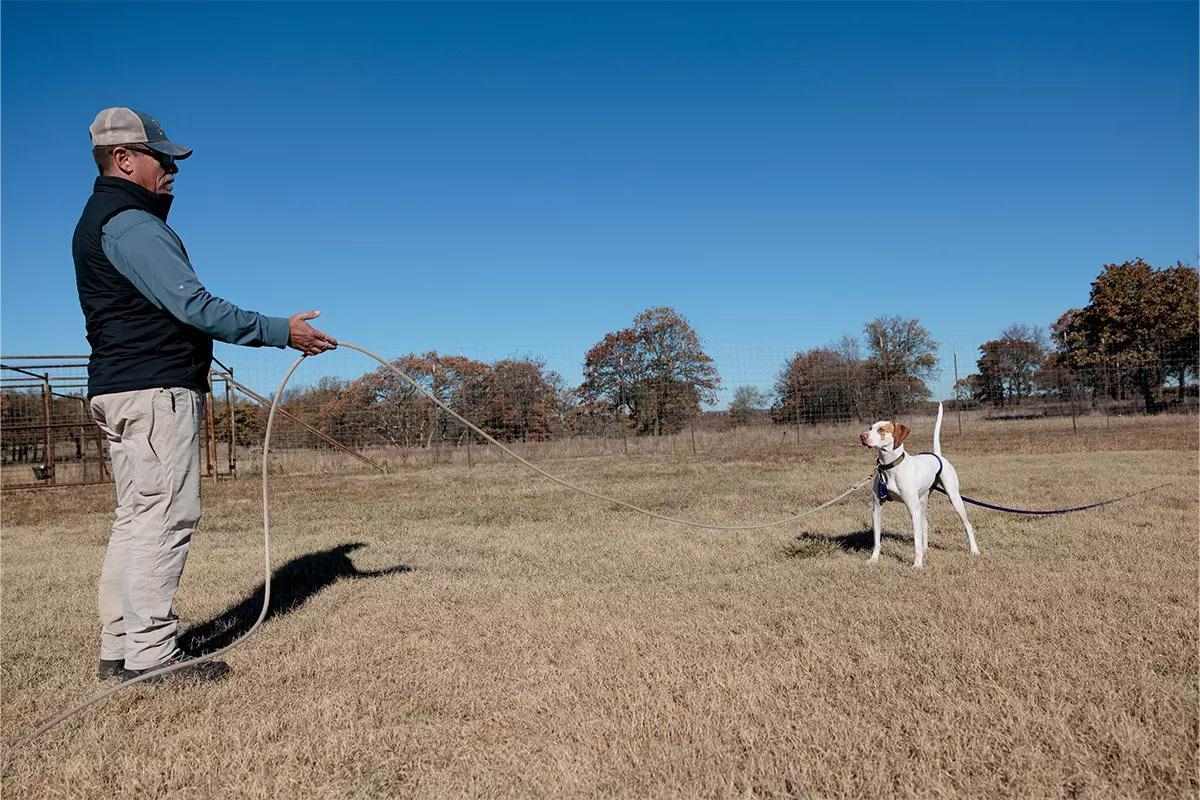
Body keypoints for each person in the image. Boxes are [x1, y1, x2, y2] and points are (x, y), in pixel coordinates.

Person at [72, 107, 337, 683]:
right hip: (153, 392)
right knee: (166, 516)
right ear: (124, 159)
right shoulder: (132, 225)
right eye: (162, 158)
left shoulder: (105, 221)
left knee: (137, 519)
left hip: (121, 389)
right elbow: (195, 305)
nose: (172, 169)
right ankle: (151, 659)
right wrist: (279, 330)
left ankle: (120, 651)